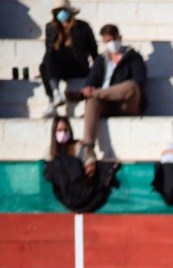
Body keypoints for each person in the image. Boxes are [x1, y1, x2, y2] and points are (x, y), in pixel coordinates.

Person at [65, 24, 147, 154]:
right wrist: (87, 89)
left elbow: (139, 81)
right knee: (92, 100)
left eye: (113, 39)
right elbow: (90, 81)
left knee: (131, 85)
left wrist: (93, 92)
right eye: (107, 41)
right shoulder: (101, 60)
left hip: (127, 104)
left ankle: (94, 94)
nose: (111, 44)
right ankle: (88, 148)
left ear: (119, 37)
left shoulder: (133, 57)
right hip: (106, 104)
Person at [43, 115, 120, 212]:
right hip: (63, 191)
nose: (63, 133)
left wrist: (88, 170)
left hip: (81, 189)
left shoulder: (78, 146)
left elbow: (90, 161)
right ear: (54, 132)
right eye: (59, 130)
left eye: (65, 130)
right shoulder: (50, 152)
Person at [40, 0, 97, 118]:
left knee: (48, 61)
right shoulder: (51, 27)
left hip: (78, 65)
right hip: (59, 67)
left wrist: (96, 68)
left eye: (63, 10)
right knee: (46, 62)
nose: (61, 13)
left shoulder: (82, 26)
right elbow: (49, 49)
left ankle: (56, 98)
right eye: (58, 11)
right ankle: (54, 96)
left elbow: (92, 48)